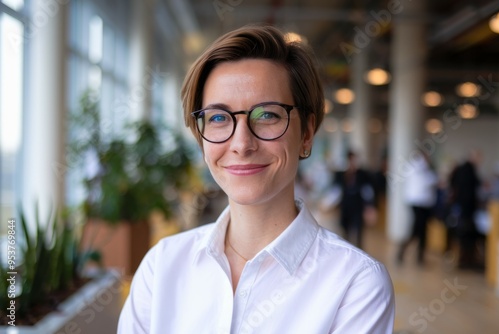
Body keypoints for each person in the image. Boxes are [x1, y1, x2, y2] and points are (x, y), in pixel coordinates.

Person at [118, 25, 394, 333]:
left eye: (267, 116)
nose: (241, 144)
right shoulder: (162, 267)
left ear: (306, 133)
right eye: (219, 118)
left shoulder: (355, 283)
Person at [397, 152, 438, 266]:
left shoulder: (423, 168)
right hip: (418, 204)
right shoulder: (417, 167)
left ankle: (419, 257)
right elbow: (426, 182)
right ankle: (402, 253)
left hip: (424, 205)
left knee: (422, 232)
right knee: (415, 231)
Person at [332, 150, 377, 249]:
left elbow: (368, 191)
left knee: (359, 231)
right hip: (346, 205)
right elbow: (336, 191)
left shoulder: (362, 175)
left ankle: (359, 250)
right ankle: (347, 250)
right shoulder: (341, 175)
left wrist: (370, 206)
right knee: (345, 231)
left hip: (358, 205)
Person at [448, 150, 484, 270]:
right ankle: (466, 261)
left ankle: (465, 260)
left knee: (464, 236)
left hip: (462, 208)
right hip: (466, 210)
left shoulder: (462, 169)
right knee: (466, 236)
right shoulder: (468, 170)